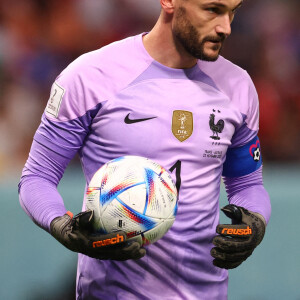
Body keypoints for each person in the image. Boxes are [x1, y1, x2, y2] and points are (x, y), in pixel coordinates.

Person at [18, 0, 271, 299]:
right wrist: (61, 225)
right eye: (212, 10)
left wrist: (255, 222)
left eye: (233, 12)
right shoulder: (89, 76)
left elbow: (247, 184)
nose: (226, 27)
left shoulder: (238, 87)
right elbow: (37, 177)